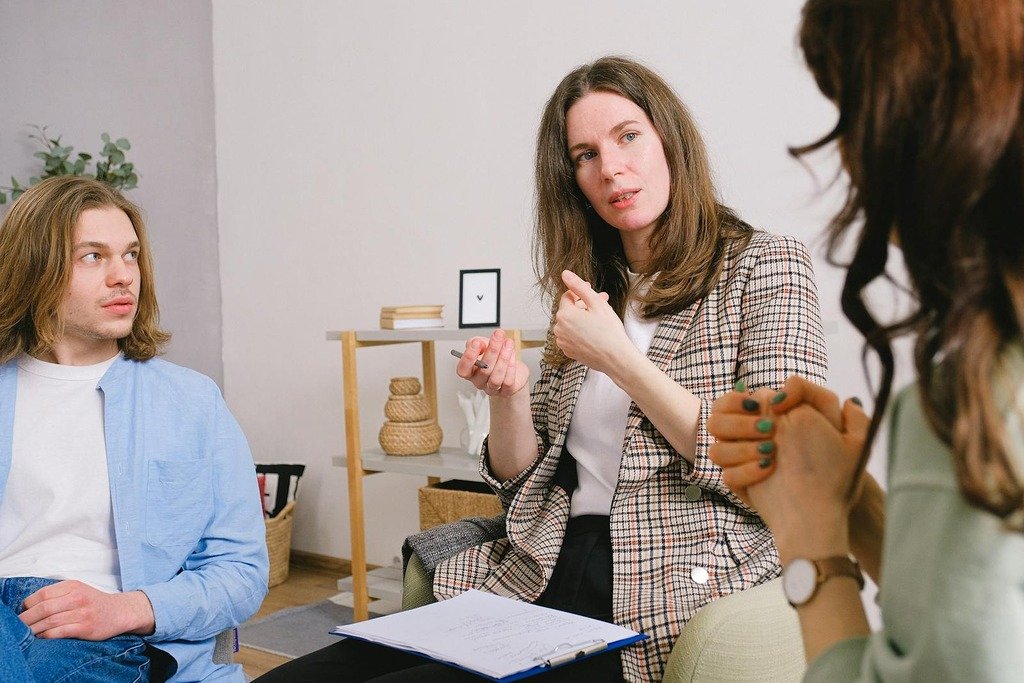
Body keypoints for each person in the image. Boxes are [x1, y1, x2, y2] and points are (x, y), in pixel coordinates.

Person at [259, 56, 827, 682]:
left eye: (628, 135)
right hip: (544, 561)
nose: (610, 167)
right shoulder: (587, 289)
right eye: (584, 154)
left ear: (671, 139)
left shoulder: (765, 266)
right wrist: (509, 396)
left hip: (658, 583)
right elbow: (520, 477)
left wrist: (620, 359)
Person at [707, 0, 1024, 680]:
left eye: (850, 113)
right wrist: (862, 510)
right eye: (583, 153)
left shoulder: (976, 409)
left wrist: (812, 542)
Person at [0, 176, 269, 682]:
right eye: (93, 257)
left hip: (106, 633)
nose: (124, 275)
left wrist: (123, 609)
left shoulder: (191, 402)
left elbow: (242, 575)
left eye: (131, 255)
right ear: (35, 269)